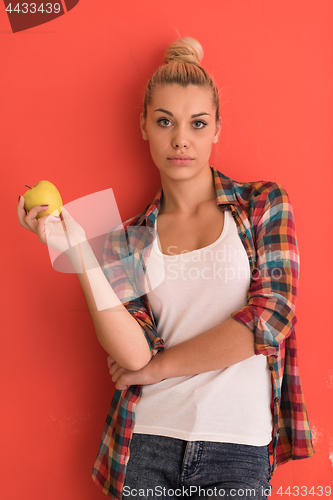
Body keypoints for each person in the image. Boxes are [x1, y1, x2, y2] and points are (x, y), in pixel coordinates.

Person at [17, 37, 314, 500]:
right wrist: (77, 252)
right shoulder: (126, 239)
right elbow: (134, 357)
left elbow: (271, 319)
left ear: (217, 128)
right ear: (144, 126)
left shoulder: (262, 203)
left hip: (237, 447)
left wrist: (161, 369)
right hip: (148, 442)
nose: (180, 139)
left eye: (197, 123)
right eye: (164, 122)